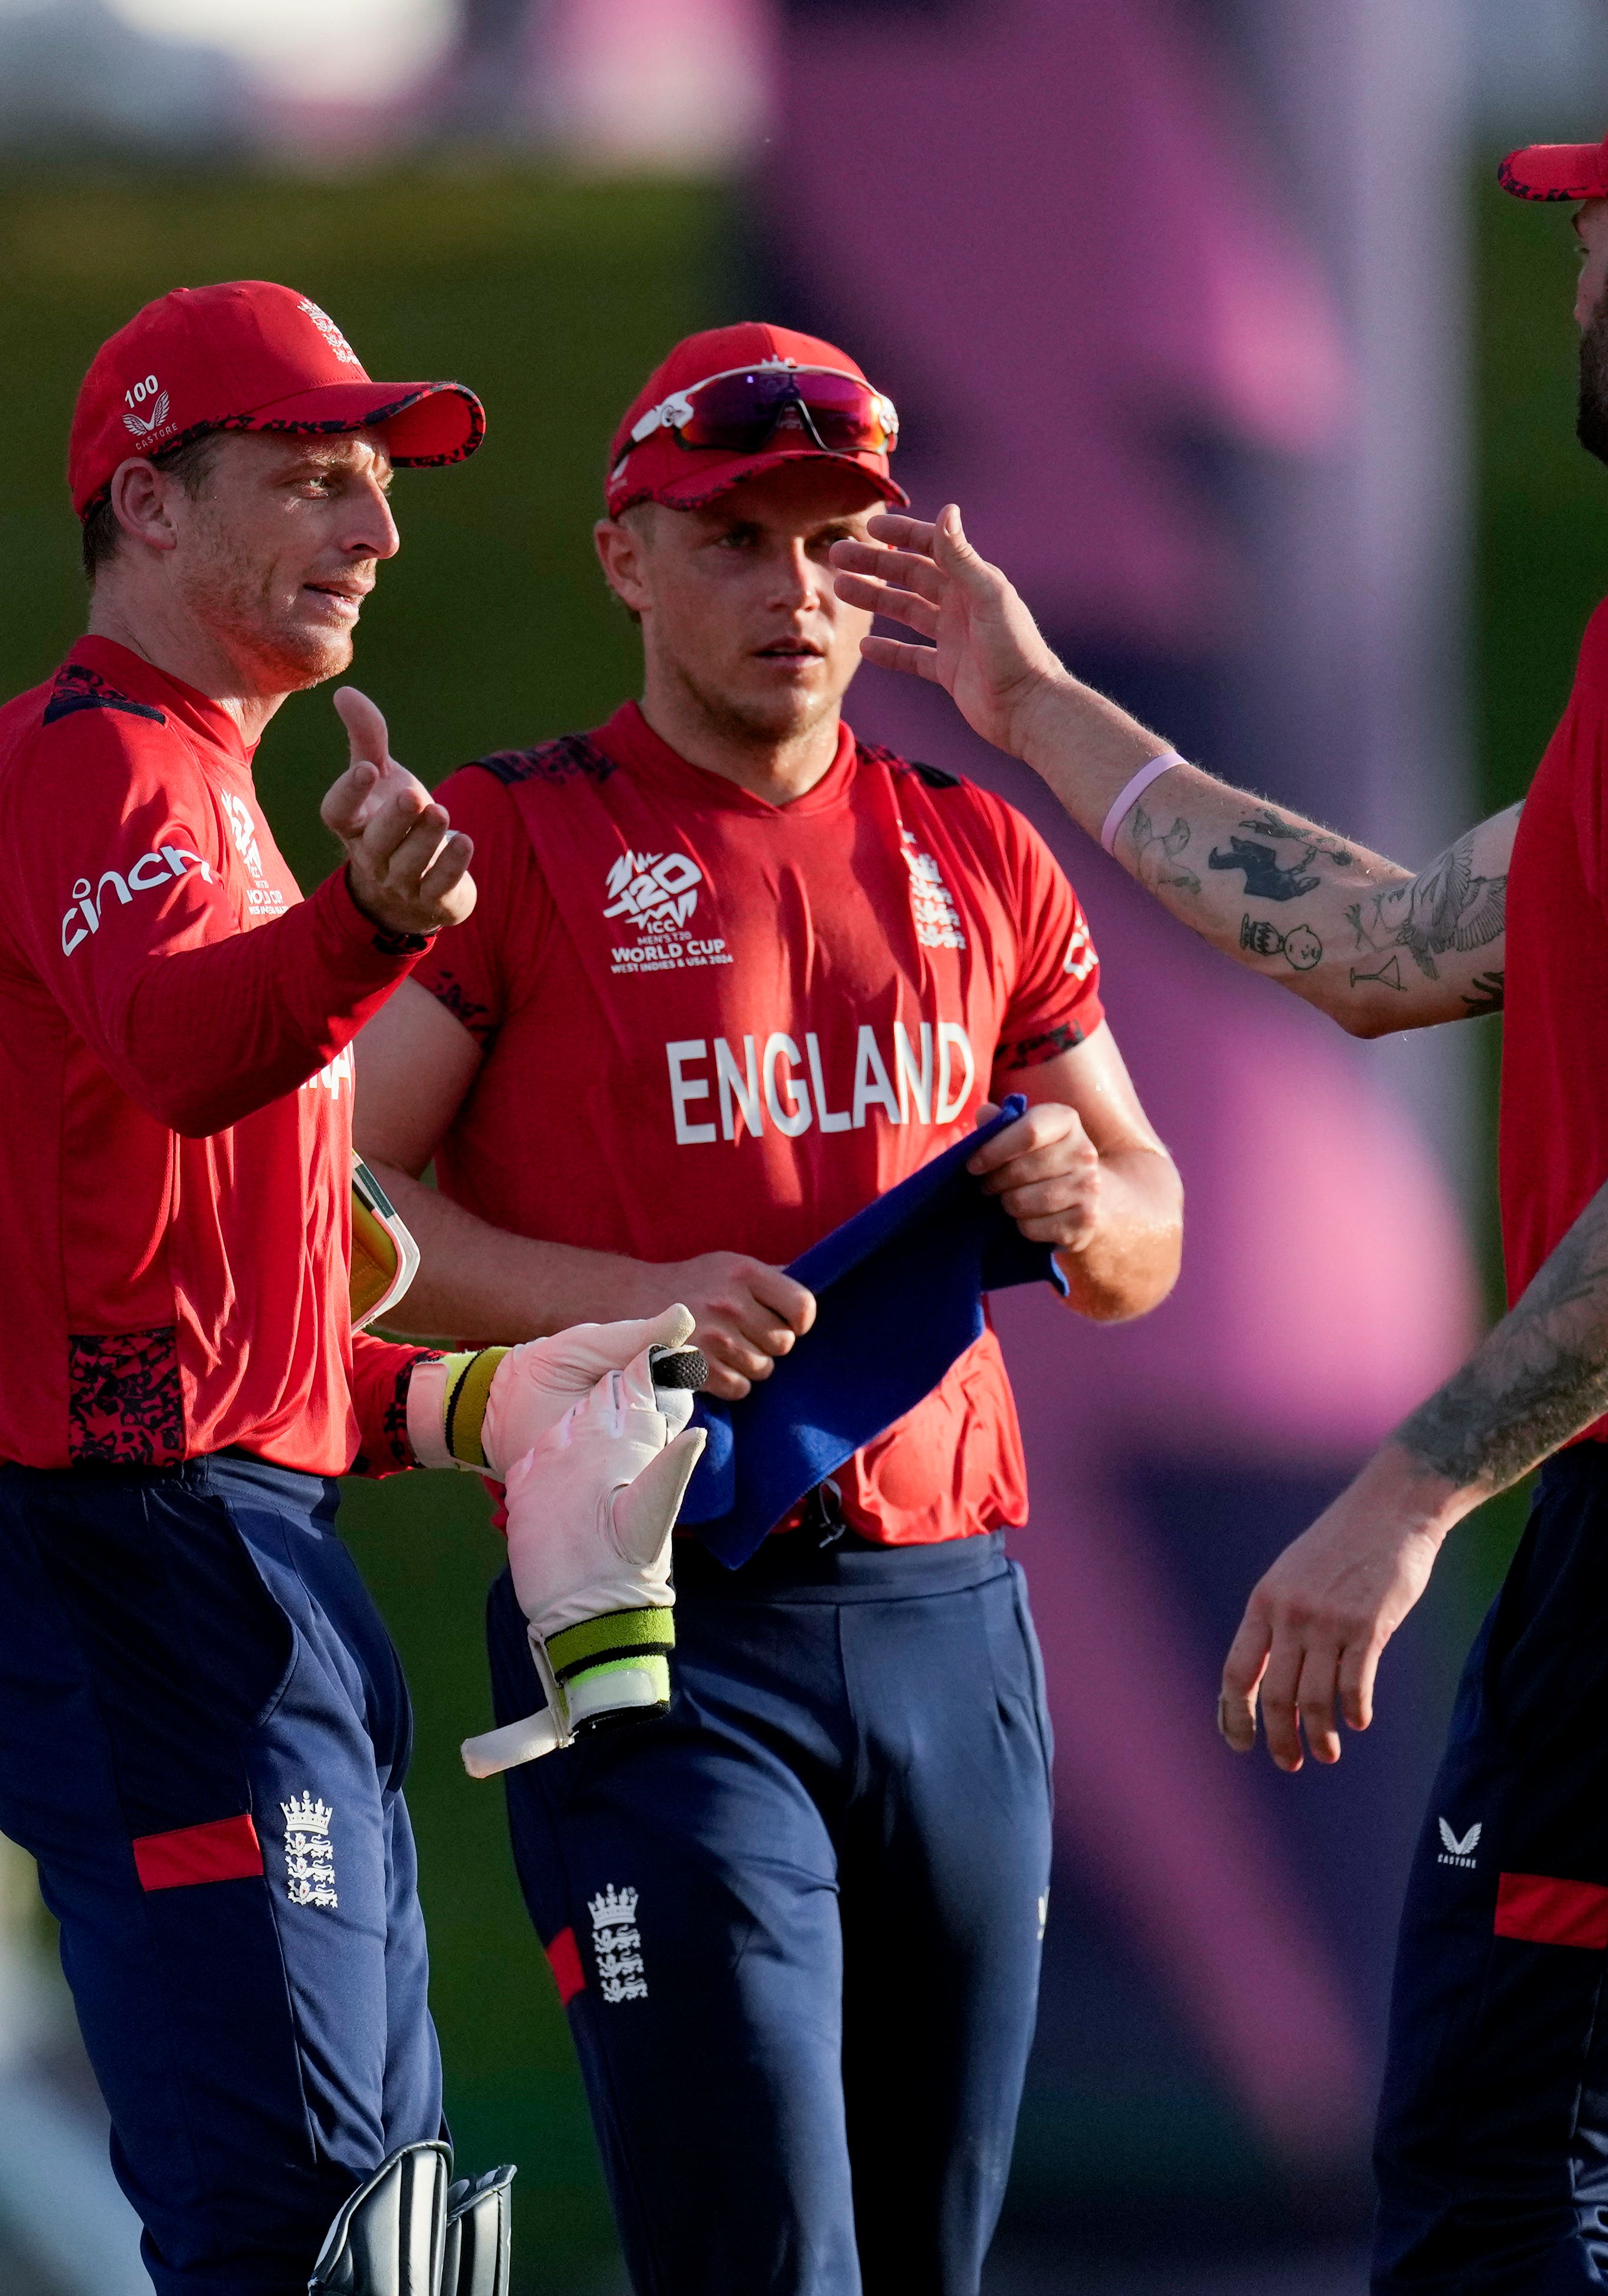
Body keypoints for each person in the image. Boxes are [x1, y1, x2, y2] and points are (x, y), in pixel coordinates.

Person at [832, 29, 1608, 2289]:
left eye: (1597, 230)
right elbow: (1388, 942)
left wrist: (1403, 1496)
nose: (1572, 269)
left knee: (1508, 2186)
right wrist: (1030, 706)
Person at [346, 322, 1185, 2296]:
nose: (791, 593)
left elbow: (1145, 1232)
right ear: (623, 554)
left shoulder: (974, 847)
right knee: (762, 2253)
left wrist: (1078, 1203)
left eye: (830, 541)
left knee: (924, 2253)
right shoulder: (523, 838)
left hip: (947, 1619)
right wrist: (627, 1304)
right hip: (649, 1617)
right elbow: (337, 1201)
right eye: (732, 539)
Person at [0, 280, 692, 2296]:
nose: (377, 527)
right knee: (307, 2225)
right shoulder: (83, 758)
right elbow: (189, 1048)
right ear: (149, 502)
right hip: (130, 1557)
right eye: (316, 477)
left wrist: (478, 1403)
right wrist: (365, 927)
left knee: (396, 2228)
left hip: (227, 1545)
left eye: (379, 483)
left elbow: (242, 1316)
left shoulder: (200, 793)